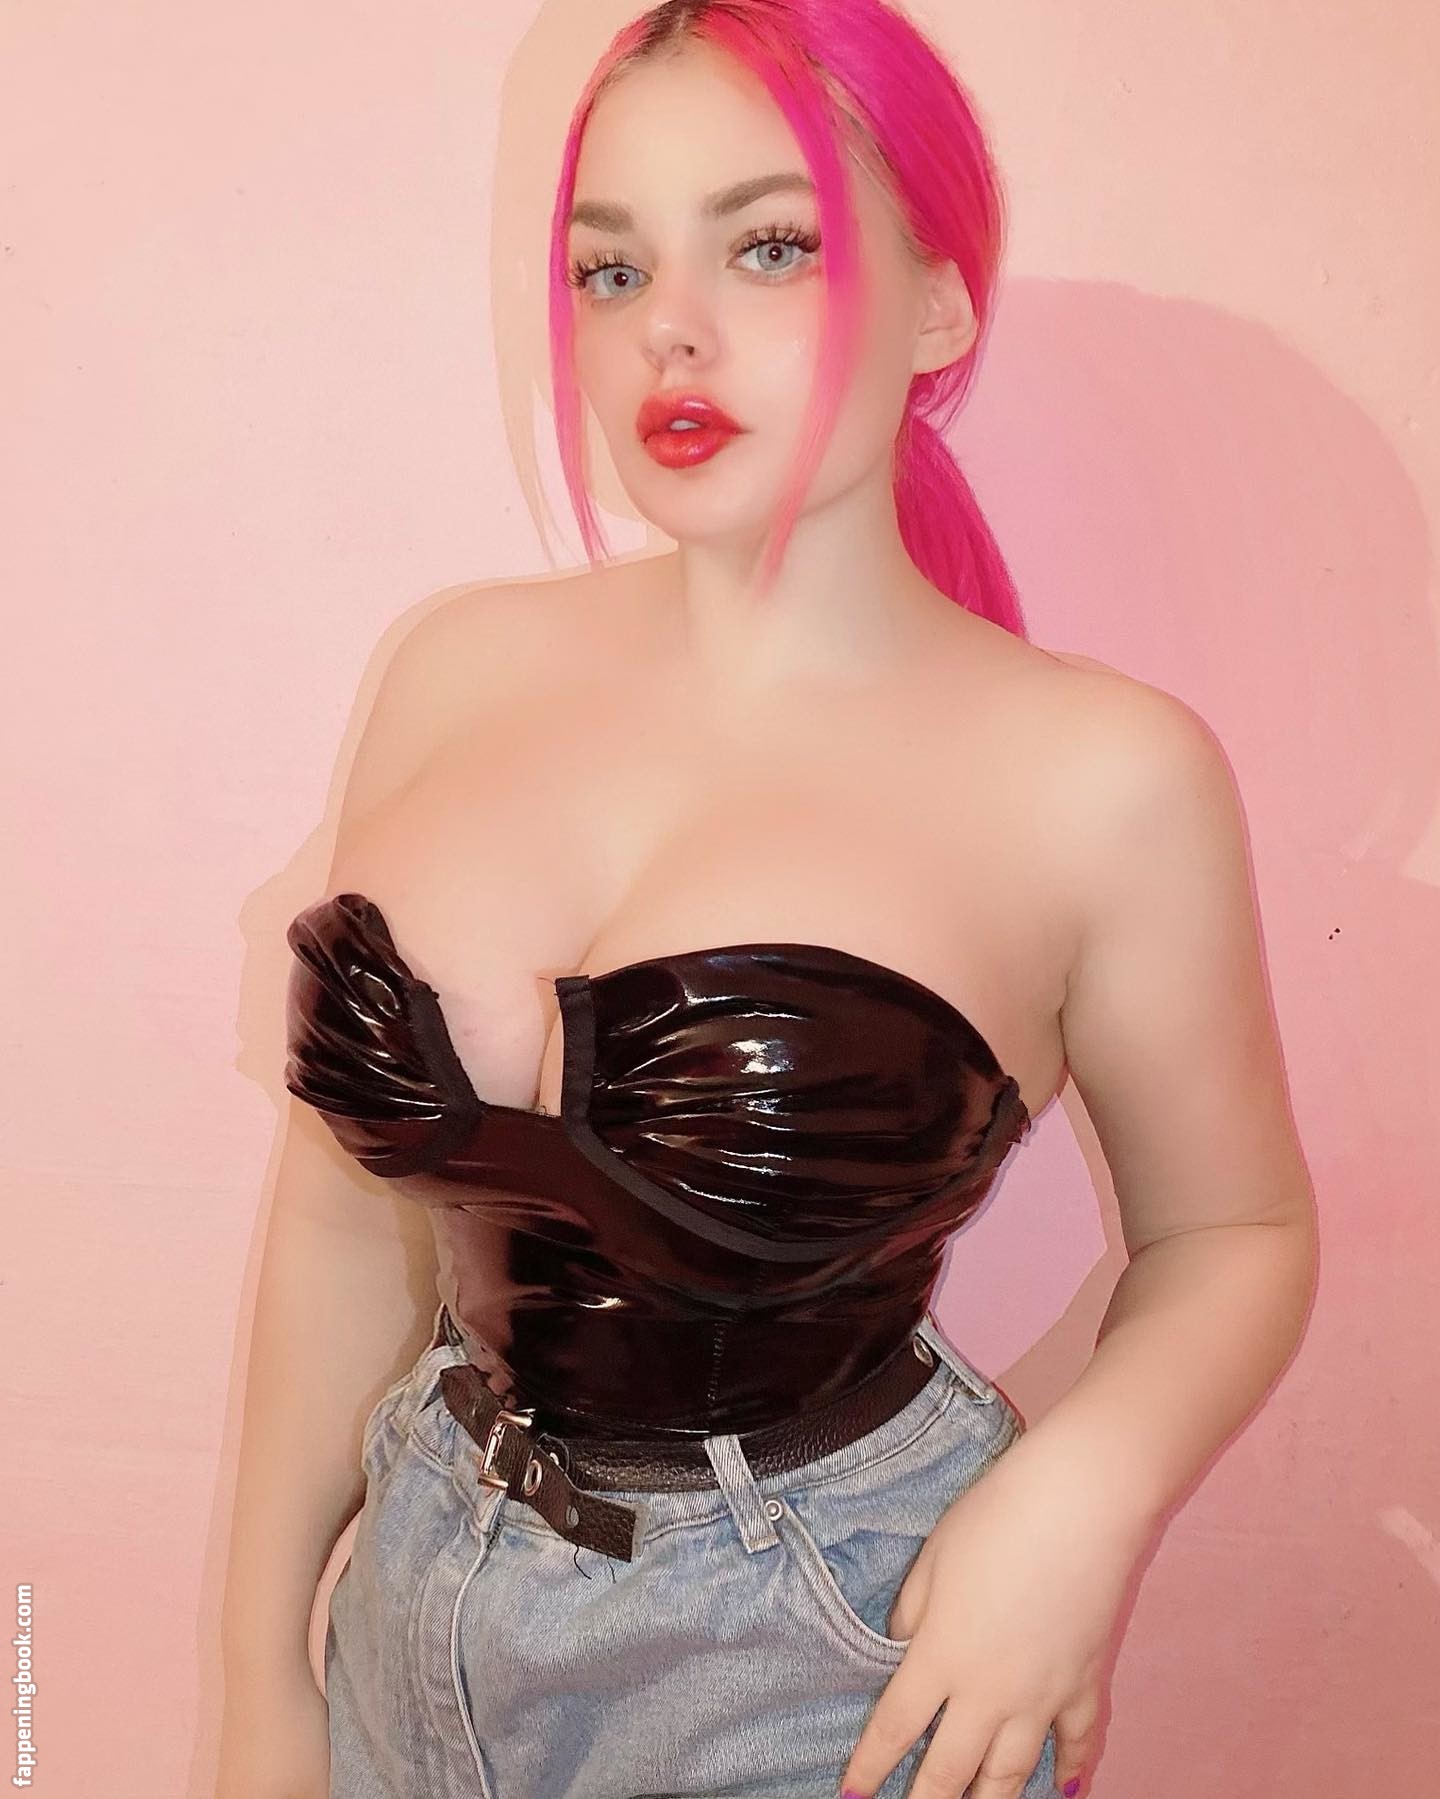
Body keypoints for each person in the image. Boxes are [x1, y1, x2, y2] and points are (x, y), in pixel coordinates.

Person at [217, 3, 1318, 1796]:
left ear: (940, 304)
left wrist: (1080, 1502)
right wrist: (264, 1667)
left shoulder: (1102, 777)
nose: (670, 326)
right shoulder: (455, 671)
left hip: (827, 1658)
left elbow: (1235, 1231)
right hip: (412, 1607)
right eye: (610, 267)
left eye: (770, 244)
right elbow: (354, 1218)